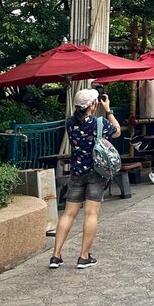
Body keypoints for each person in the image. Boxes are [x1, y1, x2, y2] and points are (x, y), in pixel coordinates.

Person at [49, 88, 121, 270]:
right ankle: (83, 257)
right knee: (91, 214)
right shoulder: (99, 122)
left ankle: (55, 256)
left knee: (68, 214)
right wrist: (108, 110)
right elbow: (117, 132)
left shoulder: (69, 123)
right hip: (96, 173)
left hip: (76, 173)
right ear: (93, 104)